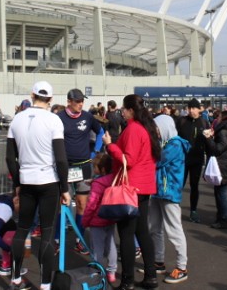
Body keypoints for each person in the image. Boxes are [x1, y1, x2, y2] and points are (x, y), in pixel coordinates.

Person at [6, 81, 70, 290]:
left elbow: (9, 158)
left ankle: (15, 279)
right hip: (49, 181)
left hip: (26, 181)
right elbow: (61, 159)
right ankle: (44, 285)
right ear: (50, 99)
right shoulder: (54, 120)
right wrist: (65, 188)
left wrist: (17, 183)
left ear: (32, 94)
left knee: (22, 229)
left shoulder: (17, 119)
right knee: (47, 232)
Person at [102, 94, 160, 290]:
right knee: (142, 232)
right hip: (143, 187)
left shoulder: (134, 129)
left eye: (124, 109)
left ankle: (127, 281)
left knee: (126, 234)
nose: (122, 112)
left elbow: (129, 159)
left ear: (131, 110)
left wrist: (110, 146)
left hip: (131, 187)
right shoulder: (145, 128)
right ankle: (150, 276)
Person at [55, 88, 103, 254]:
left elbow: (100, 132)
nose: (81, 104)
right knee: (64, 204)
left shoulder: (88, 116)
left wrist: (95, 151)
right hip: (65, 167)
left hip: (84, 166)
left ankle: (79, 239)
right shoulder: (59, 118)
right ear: (69, 101)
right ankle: (57, 239)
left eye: (82, 101)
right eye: (77, 101)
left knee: (83, 204)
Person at [147, 114, 191, 284]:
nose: (155, 132)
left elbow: (157, 161)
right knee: (154, 228)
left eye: (157, 129)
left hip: (169, 192)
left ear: (165, 128)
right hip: (158, 190)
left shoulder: (175, 144)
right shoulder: (165, 143)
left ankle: (182, 267)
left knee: (174, 230)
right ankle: (159, 262)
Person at [82, 153, 118, 284]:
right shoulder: (114, 178)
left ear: (102, 169)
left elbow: (91, 204)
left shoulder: (97, 183)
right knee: (111, 244)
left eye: (95, 167)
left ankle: (98, 271)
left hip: (97, 220)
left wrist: (85, 221)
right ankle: (112, 271)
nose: (94, 169)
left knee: (97, 248)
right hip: (111, 217)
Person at [175, 98, 209, 222]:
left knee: (194, 185)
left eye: (193, 108)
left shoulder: (204, 122)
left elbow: (209, 142)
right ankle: (175, 209)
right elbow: (175, 139)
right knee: (179, 185)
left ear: (199, 109)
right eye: (189, 108)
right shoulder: (181, 121)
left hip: (197, 159)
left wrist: (211, 156)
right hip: (182, 159)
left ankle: (193, 211)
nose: (190, 110)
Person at [205, 109, 227, 230]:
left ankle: (224, 219)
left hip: (223, 163)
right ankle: (222, 217)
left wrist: (208, 138)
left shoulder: (224, 131)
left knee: (221, 192)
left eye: (219, 116)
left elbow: (218, 149)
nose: (217, 118)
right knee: (220, 191)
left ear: (223, 118)